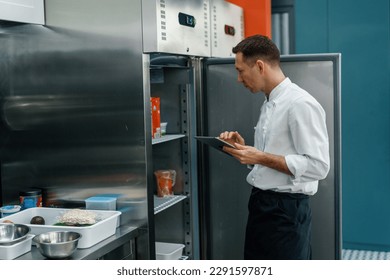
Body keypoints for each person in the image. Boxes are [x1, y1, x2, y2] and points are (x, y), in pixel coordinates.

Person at [219, 35, 330, 260]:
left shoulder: (300, 104)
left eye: (240, 71)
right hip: (262, 206)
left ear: (260, 66)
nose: (239, 79)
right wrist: (246, 151)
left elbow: (319, 167)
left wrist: (259, 157)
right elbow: (272, 156)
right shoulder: (269, 102)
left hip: (285, 213)